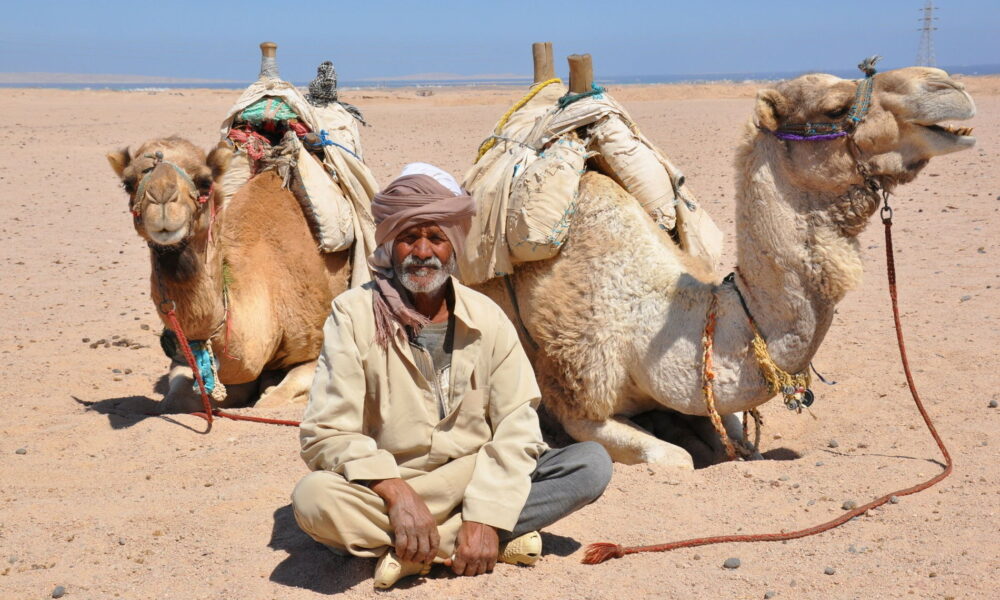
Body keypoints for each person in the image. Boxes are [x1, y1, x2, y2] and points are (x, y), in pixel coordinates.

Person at [291, 163, 612, 589]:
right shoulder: (352, 315)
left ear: (454, 246)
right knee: (315, 500)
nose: (422, 251)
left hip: (476, 475)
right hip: (389, 486)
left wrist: (484, 511)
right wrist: (397, 492)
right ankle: (480, 542)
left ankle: (417, 549)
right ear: (390, 245)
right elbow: (327, 431)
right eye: (409, 237)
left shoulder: (488, 319)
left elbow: (518, 426)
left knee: (590, 464)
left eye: (437, 238)